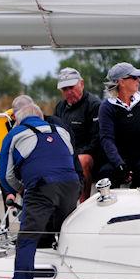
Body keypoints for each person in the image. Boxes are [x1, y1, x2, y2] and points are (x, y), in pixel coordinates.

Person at [0, 100, 80, 279]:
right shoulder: (62, 131)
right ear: (41, 117)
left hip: (41, 188)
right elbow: (70, 162)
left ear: (18, 120)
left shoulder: (14, 134)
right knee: (65, 231)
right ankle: (77, 278)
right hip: (71, 184)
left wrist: (20, 188)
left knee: (27, 239)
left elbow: (5, 176)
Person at [98, 62, 140, 188]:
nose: (139, 80)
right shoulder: (107, 107)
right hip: (121, 157)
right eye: (134, 77)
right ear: (121, 82)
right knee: (106, 173)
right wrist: (119, 163)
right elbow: (106, 139)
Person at [54, 67, 102, 202]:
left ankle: (83, 203)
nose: (69, 92)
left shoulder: (94, 105)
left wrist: (73, 155)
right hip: (68, 154)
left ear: (81, 84)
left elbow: (96, 140)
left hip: (93, 156)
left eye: (71, 87)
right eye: (65, 89)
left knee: (81, 160)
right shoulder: (60, 107)